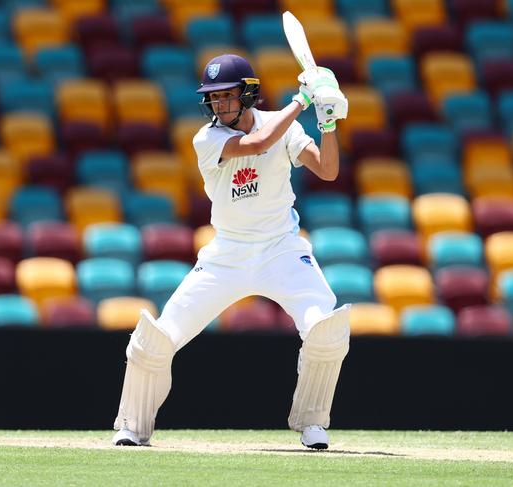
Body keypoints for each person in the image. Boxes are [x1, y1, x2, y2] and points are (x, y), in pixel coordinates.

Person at [112, 54, 350, 449]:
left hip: (281, 249)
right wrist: (303, 100)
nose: (220, 105)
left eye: (228, 96)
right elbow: (258, 143)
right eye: (214, 97)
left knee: (326, 330)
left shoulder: (284, 127)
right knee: (156, 339)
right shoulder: (207, 138)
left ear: (248, 94)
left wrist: (327, 123)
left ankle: (312, 425)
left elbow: (328, 169)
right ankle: (132, 427)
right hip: (228, 253)